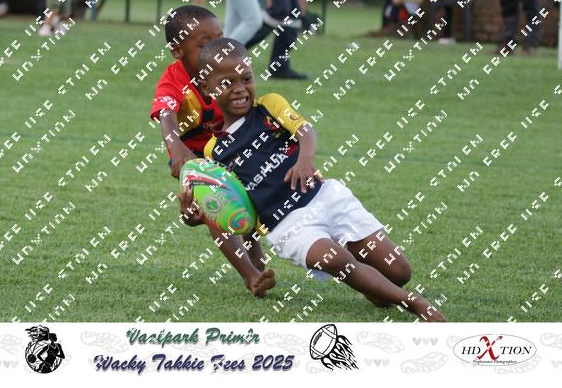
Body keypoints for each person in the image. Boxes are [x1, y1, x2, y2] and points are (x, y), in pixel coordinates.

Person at [180, 37, 447, 321]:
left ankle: (378, 289)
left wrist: (304, 160)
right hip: (288, 226)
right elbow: (234, 208)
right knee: (335, 259)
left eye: (246, 78)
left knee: (399, 272)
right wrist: (197, 218)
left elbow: (305, 132)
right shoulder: (214, 152)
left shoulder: (269, 105)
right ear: (206, 88)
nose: (239, 89)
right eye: (226, 83)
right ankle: (414, 303)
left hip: (326, 198)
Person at [150, 6, 276, 298]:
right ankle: (251, 275)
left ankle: (254, 251)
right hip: (196, 160)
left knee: (246, 201)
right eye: (204, 44)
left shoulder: (226, 71)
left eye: (219, 39)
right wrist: (175, 146)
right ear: (177, 51)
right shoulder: (174, 79)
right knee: (217, 210)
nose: (215, 50)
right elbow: (166, 113)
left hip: (232, 149)